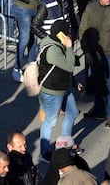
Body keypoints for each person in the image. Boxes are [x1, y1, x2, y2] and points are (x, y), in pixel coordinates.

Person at [37, 20, 79, 161]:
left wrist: (73, 82)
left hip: (63, 86)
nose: (69, 35)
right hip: (52, 91)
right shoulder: (53, 50)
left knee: (72, 112)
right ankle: (44, 152)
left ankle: (64, 146)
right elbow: (69, 66)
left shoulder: (51, 40)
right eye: (67, 32)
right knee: (50, 121)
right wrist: (69, 47)